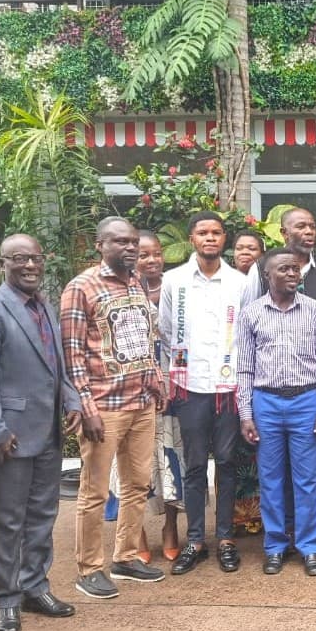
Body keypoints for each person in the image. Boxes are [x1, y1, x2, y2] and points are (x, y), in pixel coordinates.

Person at [0, 234, 83, 631]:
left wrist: (72, 401)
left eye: (35, 258)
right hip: (11, 435)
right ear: (3, 264)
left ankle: (35, 587)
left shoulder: (44, 306)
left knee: (43, 516)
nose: (30, 265)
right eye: (20, 259)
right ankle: (6, 599)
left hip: (48, 431)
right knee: (7, 520)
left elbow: (58, 366)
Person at [61, 216, 166, 599]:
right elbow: (71, 354)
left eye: (133, 241)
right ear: (99, 245)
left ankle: (125, 557)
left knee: (137, 483)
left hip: (141, 401)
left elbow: (144, 336)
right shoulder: (81, 288)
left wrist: (156, 378)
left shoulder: (136, 280)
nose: (130, 248)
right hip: (104, 406)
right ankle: (89, 568)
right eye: (120, 241)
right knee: (94, 492)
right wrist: (84, 405)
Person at [159, 211, 250, 576]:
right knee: (194, 466)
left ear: (224, 239)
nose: (210, 238)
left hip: (229, 388)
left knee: (227, 464)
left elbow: (249, 330)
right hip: (190, 386)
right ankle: (195, 539)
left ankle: (225, 538)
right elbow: (165, 330)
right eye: (202, 232)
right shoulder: (173, 281)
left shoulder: (241, 283)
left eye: (216, 233)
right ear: (192, 238)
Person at [238, 248, 316, 577]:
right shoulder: (251, 314)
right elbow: (244, 370)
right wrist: (245, 414)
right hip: (266, 403)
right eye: (284, 269)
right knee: (271, 480)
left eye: (296, 269)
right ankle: (276, 546)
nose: (293, 274)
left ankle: (309, 547)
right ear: (268, 276)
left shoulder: (314, 312)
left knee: (308, 480)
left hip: (305, 402)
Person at [136, 232, 184, 561]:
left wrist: (171, 382)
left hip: (170, 387)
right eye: (143, 255)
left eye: (156, 253)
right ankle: (135, 534)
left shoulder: (176, 287)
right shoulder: (122, 289)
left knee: (171, 458)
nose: (152, 260)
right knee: (132, 464)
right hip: (131, 392)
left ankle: (170, 527)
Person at [225, 229, 266, 537]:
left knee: (256, 449)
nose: (245, 253)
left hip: (257, 374)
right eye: (239, 247)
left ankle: (259, 515)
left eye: (252, 248)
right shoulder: (223, 284)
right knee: (231, 451)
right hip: (226, 376)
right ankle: (234, 517)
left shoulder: (266, 289)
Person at [245, 206, 316, 305]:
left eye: (312, 227)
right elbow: (248, 311)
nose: (309, 231)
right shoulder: (262, 267)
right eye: (301, 226)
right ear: (284, 233)